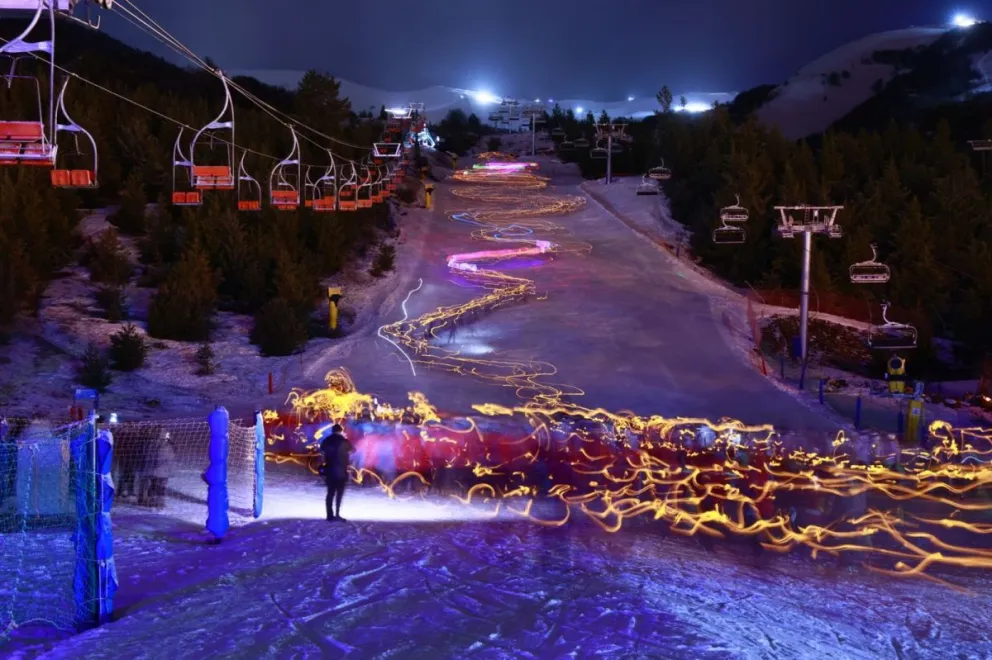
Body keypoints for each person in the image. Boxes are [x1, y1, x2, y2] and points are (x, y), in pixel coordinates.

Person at [320, 424, 354, 521]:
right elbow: (353, 450)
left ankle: (329, 515)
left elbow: (321, 451)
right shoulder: (344, 441)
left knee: (330, 493)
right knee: (339, 493)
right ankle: (337, 514)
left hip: (330, 469)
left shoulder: (327, 440)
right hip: (341, 470)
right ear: (341, 431)